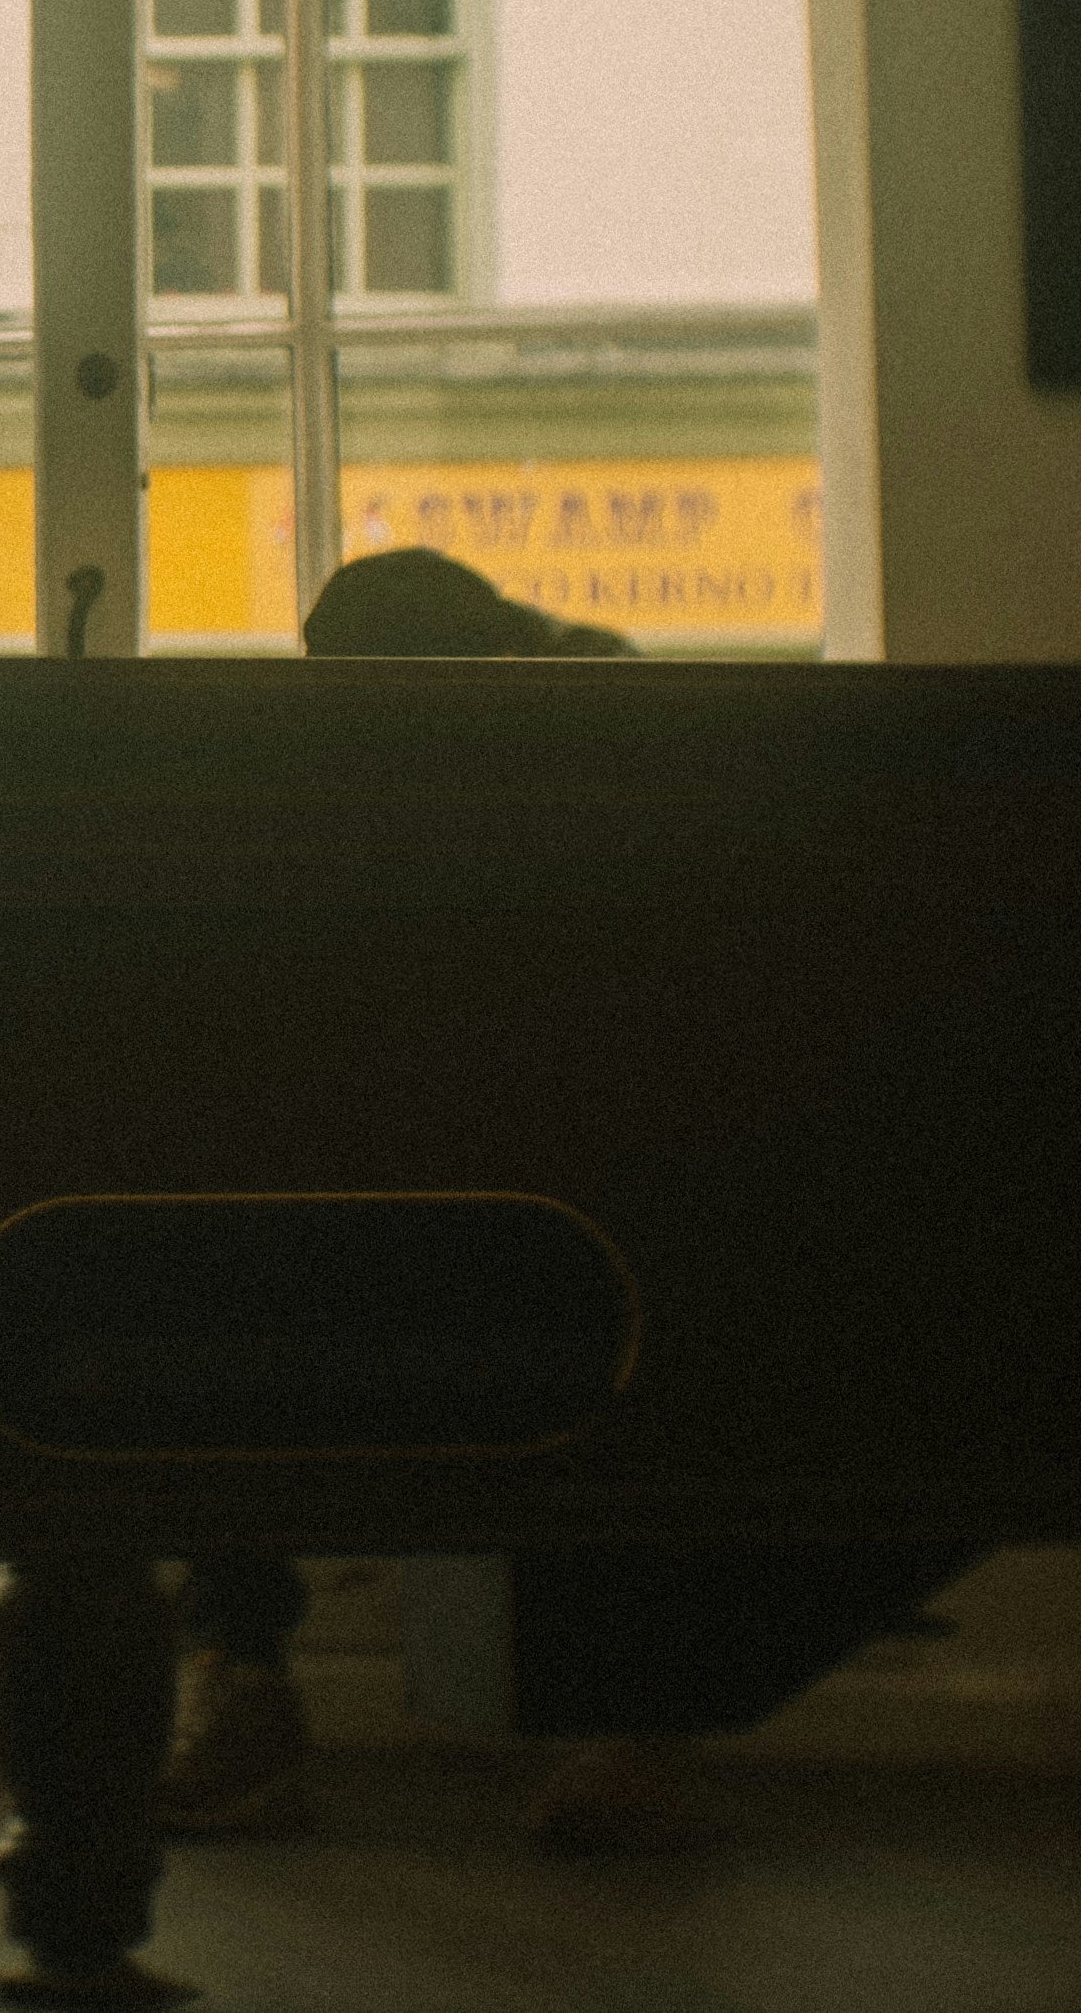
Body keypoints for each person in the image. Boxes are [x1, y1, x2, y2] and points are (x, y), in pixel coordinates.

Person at [151, 547, 728, 1856]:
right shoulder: (569, 735)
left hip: (555, 1177)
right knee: (222, 1263)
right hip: (516, 1176)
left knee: (212, 1283)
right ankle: (628, 1723)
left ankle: (242, 1686)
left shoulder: (558, 759)